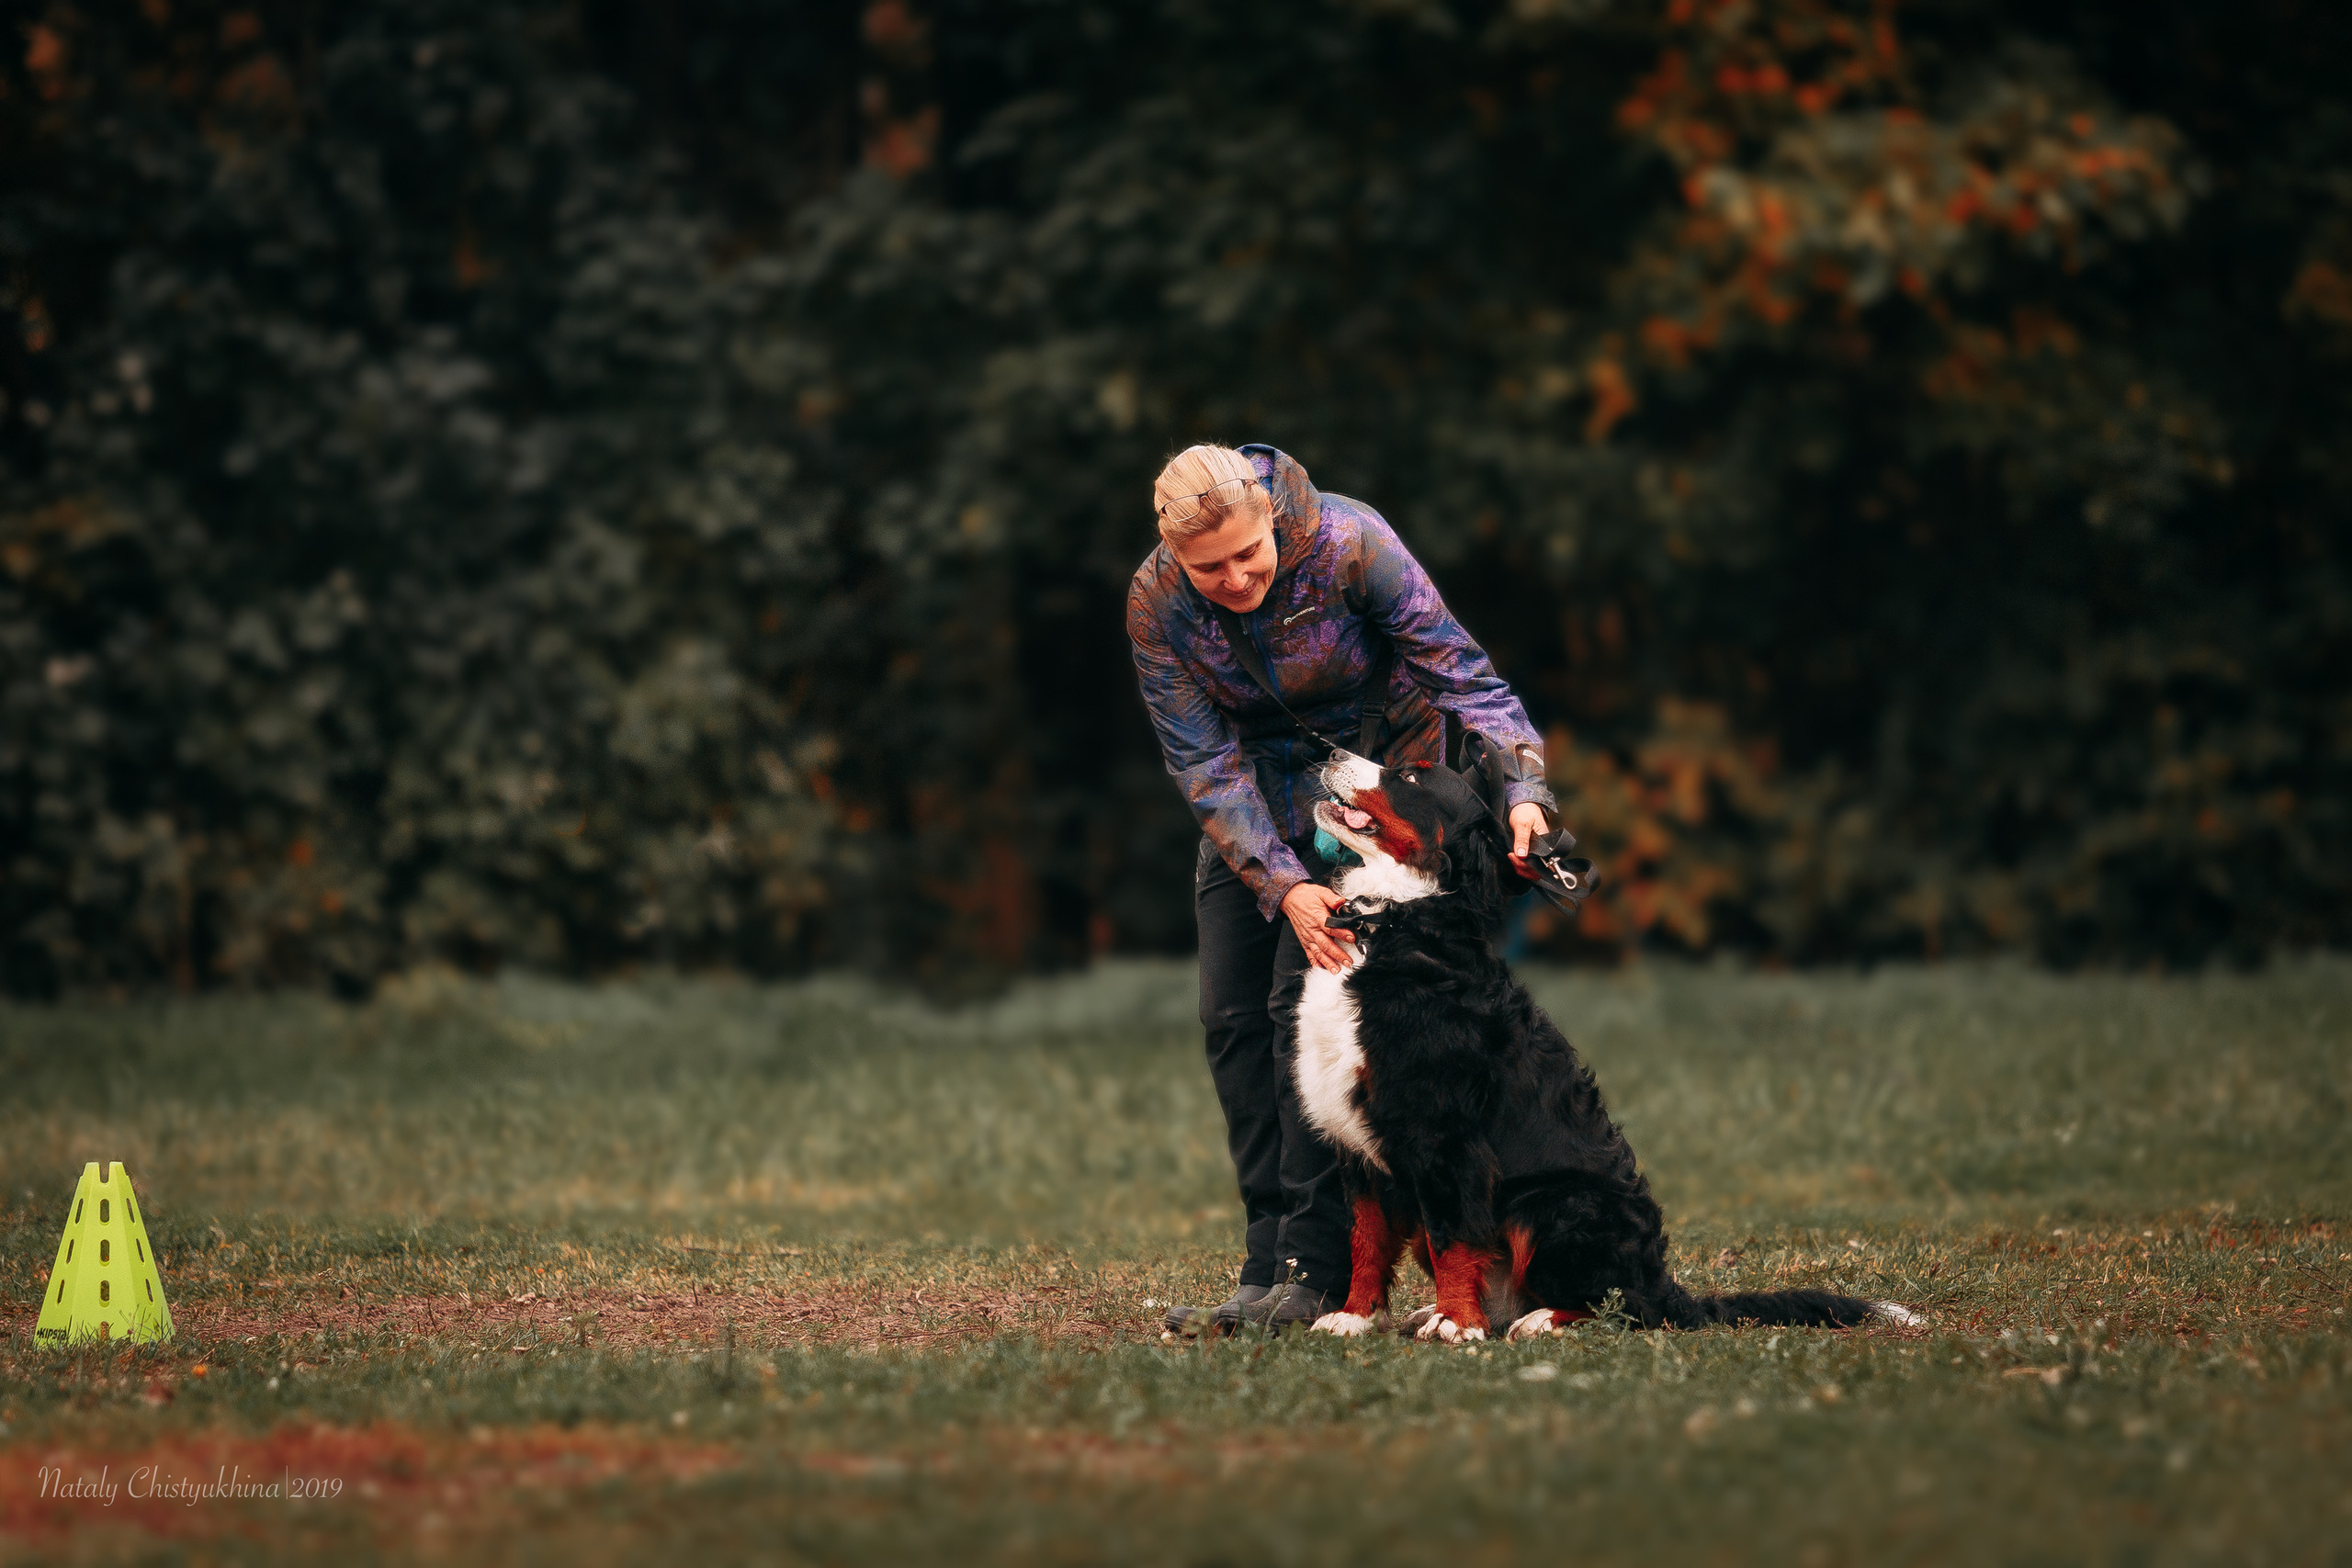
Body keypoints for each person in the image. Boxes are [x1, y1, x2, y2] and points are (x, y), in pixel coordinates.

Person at [1127, 442, 1559, 1332]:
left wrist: (1524, 792)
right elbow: (1202, 760)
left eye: (1248, 554)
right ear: (1175, 556)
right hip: (1250, 812)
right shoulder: (1156, 602)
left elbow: (1466, 679)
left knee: (1305, 1017)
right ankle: (1263, 1268)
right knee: (1231, 1023)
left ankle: (1315, 1275)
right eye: (1209, 568)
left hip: (1372, 807)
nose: (1235, 578)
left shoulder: (1352, 543)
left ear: (1271, 519)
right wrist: (1282, 883)